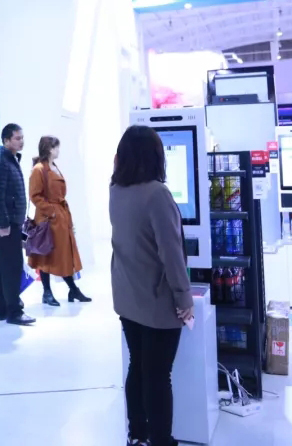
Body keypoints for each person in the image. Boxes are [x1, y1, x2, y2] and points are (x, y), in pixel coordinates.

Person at [110, 125, 193, 446]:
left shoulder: (116, 190)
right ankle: (160, 440)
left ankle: (138, 434)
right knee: (158, 376)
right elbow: (171, 253)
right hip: (157, 302)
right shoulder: (157, 194)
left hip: (128, 297)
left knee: (138, 367)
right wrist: (184, 298)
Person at [29, 135, 91, 306]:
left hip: (60, 218)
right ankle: (48, 292)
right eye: (56, 147)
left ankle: (73, 289)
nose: (58, 150)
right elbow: (35, 196)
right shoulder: (39, 169)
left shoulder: (53, 167)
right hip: (48, 220)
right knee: (46, 255)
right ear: (50, 149)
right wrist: (52, 212)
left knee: (63, 255)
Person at [0, 123, 34, 325]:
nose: (21, 141)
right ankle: (14, 311)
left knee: (0, 265)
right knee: (12, 267)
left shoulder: (10, 159)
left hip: (11, 222)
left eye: (22, 137)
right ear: (6, 140)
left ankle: (1, 309)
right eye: (17, 138)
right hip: (6, 223)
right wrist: (4, 223)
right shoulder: (0, 161)